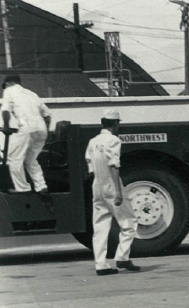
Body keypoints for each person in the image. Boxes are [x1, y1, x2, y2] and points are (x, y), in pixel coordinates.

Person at [84, 109, 140, 276]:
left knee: (100, 226)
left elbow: (89, 164)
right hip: (110, 184)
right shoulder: (113, 140)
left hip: (97, 185)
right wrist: (117, 190)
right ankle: (122, 257)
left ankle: (100, 265)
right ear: (115, 124)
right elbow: (114, 165)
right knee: (129, 222)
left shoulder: (93, 141)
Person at [1, 74, 51, 195]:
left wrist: (6, 127)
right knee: (31, 159)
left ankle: (22, 189)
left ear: (8, 84)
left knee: (13, 159)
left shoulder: (9, 90)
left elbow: (5, 110)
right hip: (41, 129)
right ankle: (41, 187)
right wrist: (46, 131)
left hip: (26, 128)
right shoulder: (31, 93)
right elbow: (47, 115)